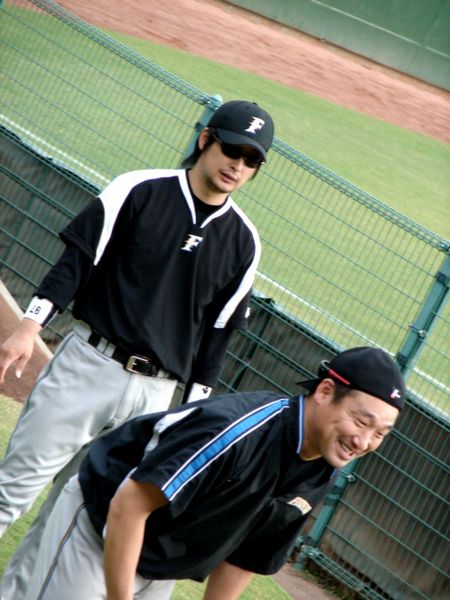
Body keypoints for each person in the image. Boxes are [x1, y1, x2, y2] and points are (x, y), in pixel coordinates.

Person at [0, 100, 274, 596]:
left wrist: (192, 414)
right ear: (205, 140)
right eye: (232, 150)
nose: (238, 165)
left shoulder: (244, 242)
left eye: (252, 159)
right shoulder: (138, 189)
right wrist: (28, 326)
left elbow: (217, 337)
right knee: (11, 493)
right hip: (89, 365)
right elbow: (76, 262)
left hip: (155, 398)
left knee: (70, 517)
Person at [16, 346, 405, 600]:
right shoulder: (238, 432)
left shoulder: (323, 467)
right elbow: (129, 506)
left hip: (163, 558)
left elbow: (247, 556)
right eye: (361, 421)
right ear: (324, 392)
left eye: (381, 434)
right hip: (102, 525)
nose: (364, 441)